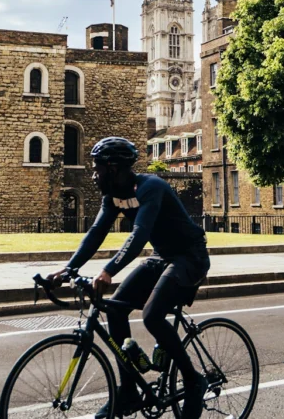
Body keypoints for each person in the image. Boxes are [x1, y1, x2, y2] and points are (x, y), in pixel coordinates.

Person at [46, 137, 211, 419]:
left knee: (152, 316)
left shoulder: (151, 187)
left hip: (189, 257)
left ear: (113, 168)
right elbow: (97, 232)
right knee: (116, 308)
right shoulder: (112, 196)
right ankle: (129, 391)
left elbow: (139, 235)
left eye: (97, 169)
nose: (93, 175)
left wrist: (108, 270)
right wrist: (68, 269)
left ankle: (195, 381)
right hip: (162, 258)